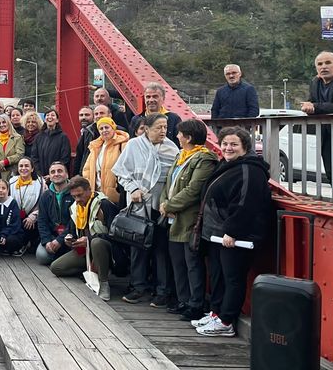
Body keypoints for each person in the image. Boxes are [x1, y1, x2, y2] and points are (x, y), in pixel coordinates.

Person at [194, 127, 272, 337]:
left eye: (234, 144)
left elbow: (247, 203)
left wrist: (233, 231)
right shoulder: (228, 165)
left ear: (244, 147)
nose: (228, 148)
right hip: (219, 234)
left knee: (233, 278)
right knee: (219, 276)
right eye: (225, 144)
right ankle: (217, 312)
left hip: (237, 237)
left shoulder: (250, 170)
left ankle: (226, 321)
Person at [112, 113, 180, 307]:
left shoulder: (171, 147)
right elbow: (120, 171)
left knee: (161, 249)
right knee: (137, 246)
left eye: (165, 127)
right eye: (158, 127)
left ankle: (162, 291)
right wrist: (132, 188)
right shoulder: (133, 145)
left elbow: (174, 178)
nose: (163, 131)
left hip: (160, 204)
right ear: (147, 128)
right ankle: (138, 287)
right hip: (139, 204)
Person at [160, 119, 217, 322]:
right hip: (173, 220)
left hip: (189, 220)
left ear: (189, 137)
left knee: (192, 263)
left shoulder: (204, 159)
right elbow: (169, 183)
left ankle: (195, 303)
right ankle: (183, 300)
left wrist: (169, 206)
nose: (177, 137)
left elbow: (193, 190)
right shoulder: (181, 156)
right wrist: (164, 202)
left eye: (180, 134)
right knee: (178, 262)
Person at [48, 176, 116, 301]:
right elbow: (72, 230)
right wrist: (69, 238)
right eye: (74, 197)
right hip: (85, 251)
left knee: (96, 242)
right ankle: (91, 272)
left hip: (105, 250)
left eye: (79, 195)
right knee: (56, 268)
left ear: (89, 190)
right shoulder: (75, 208)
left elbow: (115, 236)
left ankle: (104, 282)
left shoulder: (104, 204)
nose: (77, 200)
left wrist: (89, 240)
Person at [301, 51, 333, 197]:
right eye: (320, 64)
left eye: (328, 63)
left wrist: (315, 107)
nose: (323, 67)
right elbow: (311, 102)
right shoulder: (315, 82)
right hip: (328, 136)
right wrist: (309, 107)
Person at [82, 117, 130, 204]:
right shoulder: (95, 147)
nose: (104, 130)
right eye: (101, 128)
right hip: (96, 194)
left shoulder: (123, 144)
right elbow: (87, 169)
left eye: (107, 127)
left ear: (113, 128)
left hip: (115, 196)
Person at [35, 162, 74, 266]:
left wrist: (59, 241)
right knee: (41, 256)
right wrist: (47, 241)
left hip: (70, 237)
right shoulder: (46, 196)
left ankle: (63, 257)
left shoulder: (74, 193)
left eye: (60, 171)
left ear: (67, 174)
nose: (56, 174)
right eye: (53, 172)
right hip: (52, 235)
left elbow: (74, 221)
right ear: (50, 177)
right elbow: (42, 221)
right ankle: (62, 257)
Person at [9, 157, 46, 252]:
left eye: (26, 166)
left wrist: (33, 216)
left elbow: (44, 204)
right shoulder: (12, 182)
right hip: (16, 218)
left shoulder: (40, 183)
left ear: (32, 169)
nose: (23, 168)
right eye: (21, 166)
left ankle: (28, 243)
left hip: (33, 219)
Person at [129, 82, 181, 146]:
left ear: (163, 98)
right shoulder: (136, 119)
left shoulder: (174, 119)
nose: (151, 100)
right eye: (148, 97)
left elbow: (179, 144)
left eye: (155, 96)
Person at [31, 109, 71, 177]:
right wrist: (39, 174)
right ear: (44, 119)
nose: (50, 117)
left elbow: (65, 158)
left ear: (57, 120)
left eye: (53, 115)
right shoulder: (38, 137)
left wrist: (52, 174)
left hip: (57, 175)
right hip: (41, 176)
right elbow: (34, 157)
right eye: (47, 115)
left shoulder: (63, 137)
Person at [0, 178, 25, 255]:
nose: (1, 190)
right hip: (1, 232)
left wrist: (4, 234)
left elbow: (15, 224)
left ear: (8, 190)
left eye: (3, 188)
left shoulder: (12, 203)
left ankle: (16, 248)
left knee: (11, 240)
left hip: (13, 232)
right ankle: (3, 248)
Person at [0, 113, 24, 181]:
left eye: (4, 122)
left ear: (8, 123)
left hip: (12, 174)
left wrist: (6, 162)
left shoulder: (17, 138)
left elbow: (20, 154)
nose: (1, 125)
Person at [72, 106, 95, 176]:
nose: (83, 117)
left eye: (87, 115)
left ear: (93, 117)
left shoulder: (94, 133)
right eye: (81, 115)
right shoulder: (83, 133)